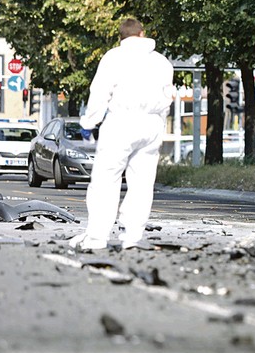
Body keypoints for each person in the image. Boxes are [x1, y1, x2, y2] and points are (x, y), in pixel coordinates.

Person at [69, 18, 175, 251]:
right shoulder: (162, 62)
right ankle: (132, 237)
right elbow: (168, 96)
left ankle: (97, 237)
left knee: (106, 179)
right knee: (142, 182)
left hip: (121, 122)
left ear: (121, 37)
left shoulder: (113, 57)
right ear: (142, 34)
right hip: (152, 125)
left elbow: (100, 92)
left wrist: (89, 122)